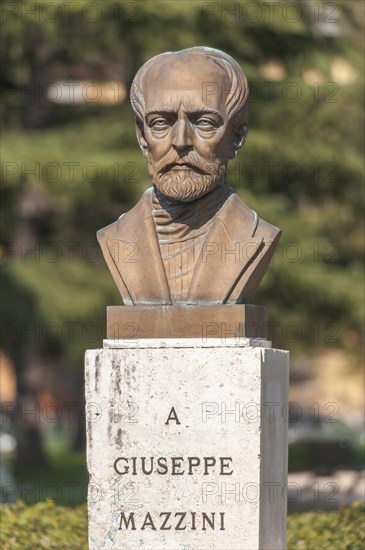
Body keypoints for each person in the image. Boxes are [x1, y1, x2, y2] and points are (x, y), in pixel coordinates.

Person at [97, 47, 281, 306]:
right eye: (161, 122)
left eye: (204, 122)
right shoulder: (116, 238)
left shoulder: (257, 236)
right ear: (142, 138)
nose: (181, 141)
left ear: (236, 137)